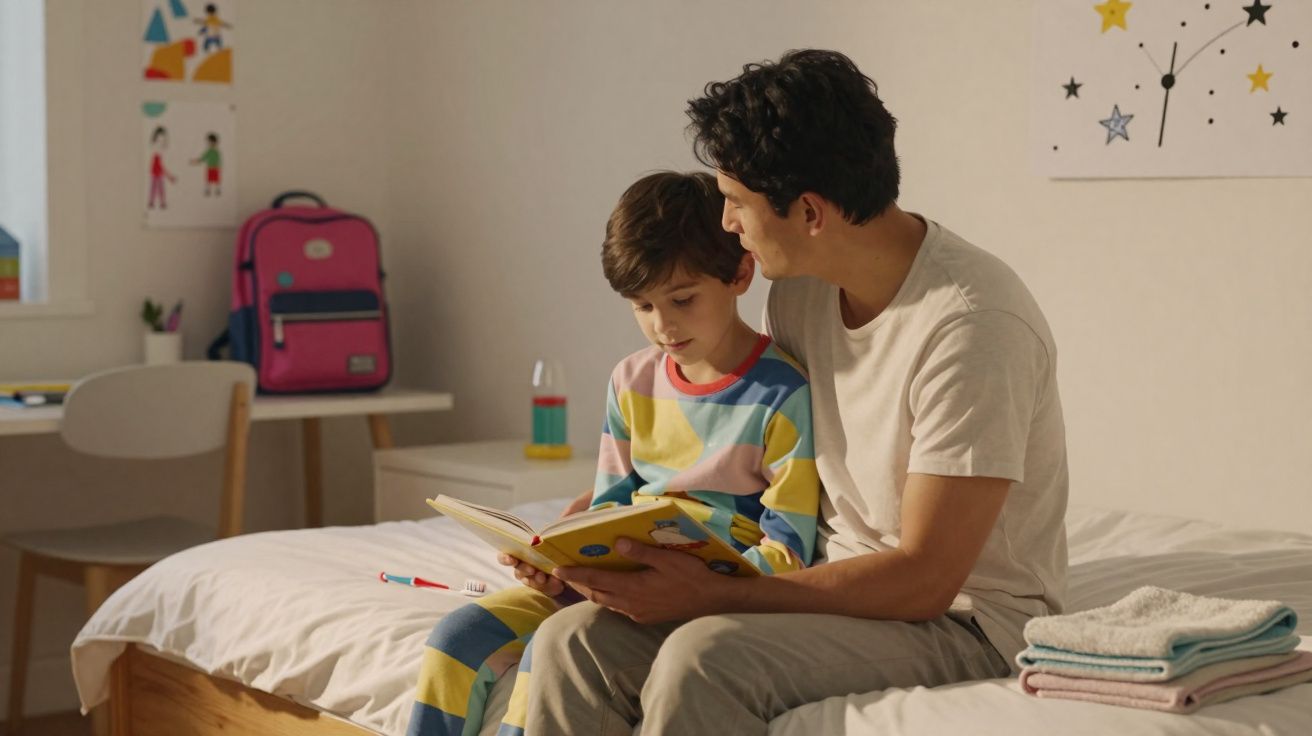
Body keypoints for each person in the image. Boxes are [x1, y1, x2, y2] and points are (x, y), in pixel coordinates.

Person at [527, 49, 1070, 735]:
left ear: (809, 212)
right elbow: (748, 452)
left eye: (736, 202)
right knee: (572, 644)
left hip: (962, 620)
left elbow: (927, 577)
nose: (727, 224)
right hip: (824, 585)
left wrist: (720, 595)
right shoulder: (801, 293)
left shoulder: (972, 327)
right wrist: (578, 537)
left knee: (705, 657)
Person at [406, 171, 820, 736]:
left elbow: (790, 547)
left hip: (701, 593)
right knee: (455, 640)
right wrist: (559, 564)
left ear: (740, 273)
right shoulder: (631, 381)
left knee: (548, 660)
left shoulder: (782, 394)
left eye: (681, 300)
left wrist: (713, 583)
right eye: (642, 306)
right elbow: (611, 506)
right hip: (613, 577)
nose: (663, 326)